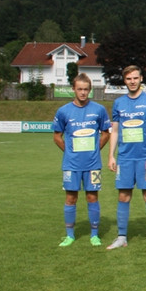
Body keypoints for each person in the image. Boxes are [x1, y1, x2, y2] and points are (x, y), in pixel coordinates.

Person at [105, 65, 146, 251]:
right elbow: (114, 131)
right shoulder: (118, 103)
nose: (132, 81)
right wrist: (111, 156)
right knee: (123, 196)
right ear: (125, 80)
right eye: (129, 78)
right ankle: (121, 237)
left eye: (135, 78)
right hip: (125, 159)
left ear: (141, 79)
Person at [52, 73, 110, 247]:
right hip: (71, 164)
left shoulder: (99, 110)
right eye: (80, 89)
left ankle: (94, 234)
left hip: (93, 164)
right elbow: (57, 136)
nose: (83, 93)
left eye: (86, 89)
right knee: (71, 198)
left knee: (92, 197)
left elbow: (106, 133)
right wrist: (69, 152)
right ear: (73, 89)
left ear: (90, 90)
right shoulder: (63, 111)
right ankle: (70, 235)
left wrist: (94, 149)